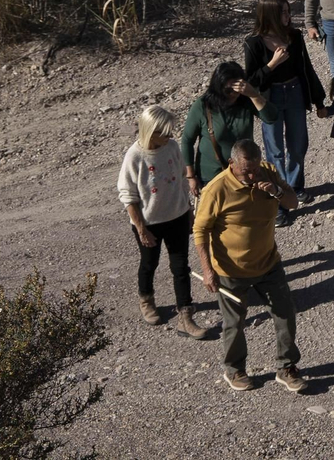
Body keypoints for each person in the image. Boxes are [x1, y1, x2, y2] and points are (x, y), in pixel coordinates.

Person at [192, 139, 306, 393]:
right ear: (232, 163)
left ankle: (286, 367)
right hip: (231, 270)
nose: (253, 176)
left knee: (285, 311)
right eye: (247, 171)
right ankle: (234, 369)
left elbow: (293, 203)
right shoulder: (217, 189)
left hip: (268, 263)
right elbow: (200, 229)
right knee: (234, 322)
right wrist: (208, 270)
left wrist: (276, 190)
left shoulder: (268, 174)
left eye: (255, 169)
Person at [118, 104, 207, 338]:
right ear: (150, 131)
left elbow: (179, 181)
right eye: (164, 132)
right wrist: (141, 229)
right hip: (149, 223)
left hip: (176, 216)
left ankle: (186, 315)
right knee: (149, 263)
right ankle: (146, 300)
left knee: (181, 267)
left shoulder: (172, 147)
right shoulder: (135, 156)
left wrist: (188, 211)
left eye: (170, 132)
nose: (169, 136)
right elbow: (128, 197)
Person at [243, 0, 326, 220]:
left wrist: (319, 100)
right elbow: (250, 83)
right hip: (270, 100)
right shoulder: (254, 44)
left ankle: (295, 187)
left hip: (296, 92)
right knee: (275, 152)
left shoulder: (295, 36)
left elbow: (306, 69)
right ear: (270, 15)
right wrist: (272, 64)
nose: (289, 16)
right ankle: (278, 204)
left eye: (289, 11)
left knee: (298, 145)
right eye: (284, 12)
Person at [180, 62, 279, 203]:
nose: (234, 94)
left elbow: (271, 117)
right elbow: (187, 141)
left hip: (244, 175)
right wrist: (191, 176)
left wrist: (253, 94)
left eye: (238, 88)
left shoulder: (246, 101)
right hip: (212, 176)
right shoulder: (203, 106)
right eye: (229, 90)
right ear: (218, 87)